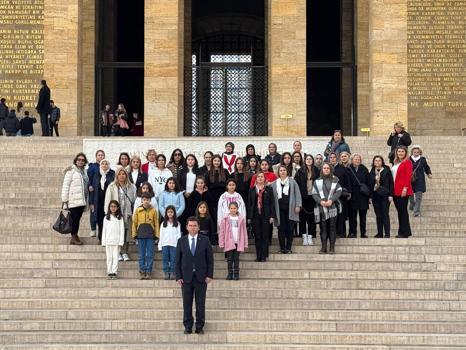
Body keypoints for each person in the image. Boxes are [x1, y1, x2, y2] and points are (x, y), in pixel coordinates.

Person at [175, 217, 214, 335]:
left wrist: (209, 275)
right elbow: (177, 260)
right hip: (185, 278)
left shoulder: (205, 240)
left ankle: (199, 326)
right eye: (190, 225)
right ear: (186, 227)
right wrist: (178, 276)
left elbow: (210, 260)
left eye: (195, 226)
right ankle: (188, 326)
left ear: (198, 227)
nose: (193, 228)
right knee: (187, 303)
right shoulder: (181, 241)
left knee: (200, 303)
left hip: (201, 277)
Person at [104, 167, 137, 261]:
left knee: (126, 234)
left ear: (126, 175)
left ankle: (125, 252)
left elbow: (135, 201)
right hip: (115, 214)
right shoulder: (112, 186)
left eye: (124, 174)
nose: (122, 176)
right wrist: (108, 214)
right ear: (117, 176)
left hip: (127, 214)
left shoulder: (132, 187)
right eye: (119, 174)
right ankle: (117, 252)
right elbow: (107, 201)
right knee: (116, 233)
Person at [312, 163, 342, 254]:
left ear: (330, 169)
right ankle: (324, 247)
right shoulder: (317, 181)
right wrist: (321, 202)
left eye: (328, 168)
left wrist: (331, 200)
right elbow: (314, 193)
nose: (326, 169)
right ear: (322, 170)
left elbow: (339, 191)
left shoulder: (335, 180)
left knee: (332, 228)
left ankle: (332, 248)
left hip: (332, 207)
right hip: (321, 208)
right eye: (324, 168)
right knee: (323, 228)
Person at [271, 165, 302, 254]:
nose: (282, 172)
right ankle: (282, 248)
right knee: (281, 229)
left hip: (290, 209)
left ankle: (288, 248)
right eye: (281, 170)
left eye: (284, 170)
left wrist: (298, 205)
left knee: (290, 229)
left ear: (287, 171)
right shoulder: (274, 184)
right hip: (279, 210)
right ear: (278, 172)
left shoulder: (293, 182)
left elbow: (297, 194)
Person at [61, 153, 89, 245]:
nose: (81, 161)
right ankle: (73, 236)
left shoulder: (84, 171)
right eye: (79, 160)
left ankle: (75, 235)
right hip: (73, 200)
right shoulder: (71, 170)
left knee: (77, 218)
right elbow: (66, 185)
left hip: (82, 200)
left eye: (82, 160)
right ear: (76, 161)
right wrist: (64, 200)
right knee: (75, 219)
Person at [248, 172, 275, 262]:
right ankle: (258, 255)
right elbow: (249, 203)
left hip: (266, 215)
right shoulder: (252, 189)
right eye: (258, 177)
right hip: (255, 215)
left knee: (265, 236)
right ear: (256, 179)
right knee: (258, 236)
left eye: (261, 177)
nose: (260, 178)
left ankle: (264, 256)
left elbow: (272, 203)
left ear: (264, 179)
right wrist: (249, 217)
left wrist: (272, 216)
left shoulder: (269, 189)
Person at [132, 193, 159, 280]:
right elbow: (134, 223)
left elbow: (156, 223)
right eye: (144, 200)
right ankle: (142, 271)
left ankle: (148, 272)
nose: (146, 201)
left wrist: (157, 235)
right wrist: (134, 234)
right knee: (141, 254)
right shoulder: (138, 210)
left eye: (148, 199)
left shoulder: (154, 210)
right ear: (141, 200)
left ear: (150, 200)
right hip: (141, 234)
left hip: (150, 235)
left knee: (150, 254)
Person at [294, 154, 319, 246]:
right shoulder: (300, 171)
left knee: (312, 219)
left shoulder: (316, 170)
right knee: (303, 218)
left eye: (310, 159)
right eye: (307, 159)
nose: (309, 160)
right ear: (305, 161)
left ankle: (310, 237)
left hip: (313, 198)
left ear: (313, 160)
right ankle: (304, 236)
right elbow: (296, 186)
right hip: (302, 198)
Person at [219, 202, 248, 280]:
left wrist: (245, 243)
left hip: (238, 242)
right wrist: (221, 243)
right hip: (229, 242)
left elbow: (244, 231)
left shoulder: (241, 218)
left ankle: (236, 274)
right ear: (229, 209)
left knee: (236, 259)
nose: (233, 210)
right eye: (231, 208)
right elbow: (221, 232)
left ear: (237, 209)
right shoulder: (225, 219)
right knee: (229, 259)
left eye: (234, 208)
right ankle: (230, 274)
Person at [89, 159, 115, 242]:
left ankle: (108, 237)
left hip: (108, 201)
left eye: (106, 164)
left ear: (108, 165)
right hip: (98, 202)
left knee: (109, 219)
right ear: (100, 165)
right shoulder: (96, 175)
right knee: (100, 220)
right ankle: (101, 237)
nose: (104, 165)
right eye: (102, 164)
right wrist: (91, 202)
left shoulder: (112, 174)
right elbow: (92, 189)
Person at [369, 155, 394, 238]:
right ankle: (379, 233)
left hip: (385, 196)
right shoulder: (372, 171)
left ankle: (387, 233)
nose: (377, 162)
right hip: (376, 196)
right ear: (373, 162)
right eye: (376, 160)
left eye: (379, 160)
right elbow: (369, 184)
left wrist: (391, 195)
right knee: (378, 215)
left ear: (382, 162)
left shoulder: (386, 170)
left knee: (385, 214)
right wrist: (370, 196)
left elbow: (391, 183)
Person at [392, 146, 413, 238]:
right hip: (395, 191)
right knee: (400, 211)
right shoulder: (396, 163)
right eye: (399, 151)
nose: (400, 153)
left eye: (402, 151)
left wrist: (405, 188)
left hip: (403, 191)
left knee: (403, 211)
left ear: (405, 153)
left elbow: (408, 177)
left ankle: (404, 233)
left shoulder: (407, 162)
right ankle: (404, 232)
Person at [347, 154, 371, 238]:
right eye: (355, 159)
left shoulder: (364, 169)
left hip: (363, 196)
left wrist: (369, 196)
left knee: (363, 216)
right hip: (353, 196)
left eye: (358, 159)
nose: (357, 160)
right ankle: (352, 232)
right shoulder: (348, 169)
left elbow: (369, 183)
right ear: (352, 160)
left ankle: (363, 233)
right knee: (352, 216)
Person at [329, 152, 352, 238]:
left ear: (337, 158)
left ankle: (341, 232)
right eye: (331, 158)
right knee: (332, 214)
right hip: (330, 196)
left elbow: (348, 180)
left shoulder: (342, 168)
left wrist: (349, 192)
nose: (332, 159)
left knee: (341, 213)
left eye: (334, 157)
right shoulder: (327, 168)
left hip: (341, 195)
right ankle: (333, 232)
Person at [101, 200, 125, 279]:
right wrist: (103, 242)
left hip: (116, 241)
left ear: (117, 207)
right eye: (111, 206)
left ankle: (114, 272)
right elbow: (104, 230)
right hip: (108, 241)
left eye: (115, 206)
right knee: (109, 258)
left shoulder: (120, 218)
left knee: (115, 257)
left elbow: (122, 230)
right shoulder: (106, 218)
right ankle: (109, 272)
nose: (113, 208)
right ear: (109, 208)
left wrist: (121, 241)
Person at [158, 206, 181, 280]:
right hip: (165, 244)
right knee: (165, 259)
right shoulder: (163, 224)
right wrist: (160, 245)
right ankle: (166, 272)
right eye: (168, 212)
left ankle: (172, 272)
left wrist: (179, 245)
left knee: (173, 259)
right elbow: (161, 235)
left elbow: (178, 235)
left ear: (174, 213)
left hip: (174, 244)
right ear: (166, 213)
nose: (170, 213)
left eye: (171, 212)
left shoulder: (177, 223)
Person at [205, 154, 229, 224]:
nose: (216, 162)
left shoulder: (225, 172)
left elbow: (227, 184)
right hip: (212, 197)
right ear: (212, 161)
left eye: (218, 161)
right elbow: (207, 186)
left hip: (223, 197)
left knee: (224, 214)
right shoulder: (208, 173)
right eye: (215, 160)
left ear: (220, 162)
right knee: (214, 215)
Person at [409, 146, 432, 217]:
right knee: (410, 196)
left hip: (420, 180)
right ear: (412, 152)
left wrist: (429, 173)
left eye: (417, 152)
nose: (416, 153)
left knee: (418, 196)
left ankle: (416, 212)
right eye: (414, 152)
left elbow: (426, 167)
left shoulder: (422, 159)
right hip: (410, 180)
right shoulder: (408, 159)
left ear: (420, 153)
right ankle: (412, 204)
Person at [87, 150, 106, 237]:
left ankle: (101, 231)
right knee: (93, 210)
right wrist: (89, 185)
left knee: (101, 212)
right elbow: (89, 178)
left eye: (102, 155)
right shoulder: (92, 167)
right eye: (99, 155)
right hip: (94, 192)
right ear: (96, 156)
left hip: (102, 193)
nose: (101, 157)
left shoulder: (105, 166)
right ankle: (93, 229)